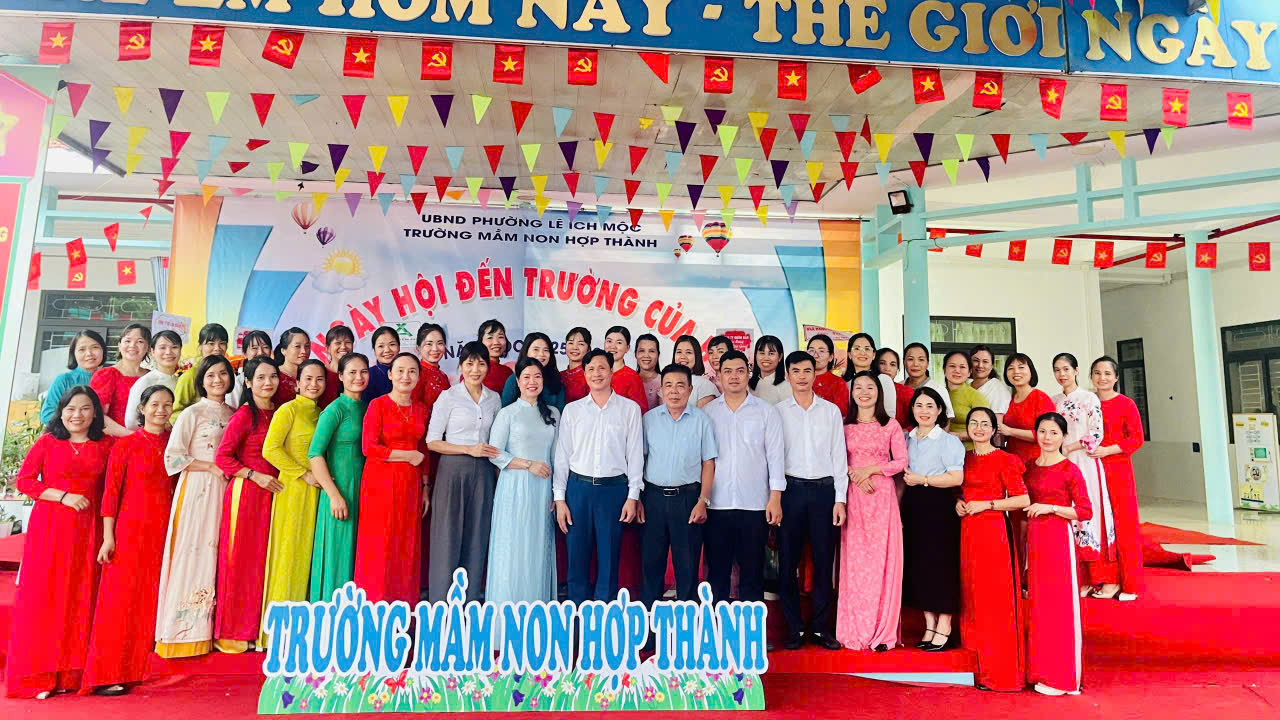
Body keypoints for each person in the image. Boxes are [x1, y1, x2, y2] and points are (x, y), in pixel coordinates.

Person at [4, 387, 111, 698]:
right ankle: (40, 675)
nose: (77, 415)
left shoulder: (107, 445)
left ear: (95, 413)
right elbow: (25, 482)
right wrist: (63, 496)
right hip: (50, 528)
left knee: (80, 596)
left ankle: (71, 675)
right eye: (71, 409)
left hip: (89, 531)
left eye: (85, 408)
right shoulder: (48, 442)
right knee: (46, 597)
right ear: (61, 412)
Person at [82, 385, 176, 696]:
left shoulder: (175, 443)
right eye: (155, 404)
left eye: (167, 404)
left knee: (148, 603)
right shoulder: (126, 445)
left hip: (165, 533)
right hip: (130, 532)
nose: (161, 410)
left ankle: (134, 671)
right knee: (119, 603)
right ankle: (105, 675)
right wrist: (108, 537)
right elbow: (110, 494)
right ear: (142, 408)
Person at [155, 355, 235, 658]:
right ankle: (183, 632)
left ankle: (216, 629)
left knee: (220, 551)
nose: (217, 380)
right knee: (195, 550)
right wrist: (211, 466)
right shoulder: (191, 413)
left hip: (226, 489)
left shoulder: (234, 413)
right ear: (201, 380)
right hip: (198, 488)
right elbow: (173, 457)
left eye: (223, 374)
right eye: (211, 375)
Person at [553, 348, 644, 603]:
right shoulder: (572, 410)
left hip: (613, 491)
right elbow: (562, 456)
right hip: (578, 490)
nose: (597, 373)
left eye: (602, 367)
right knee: (576, 558)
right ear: (584, 373)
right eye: (591, 369)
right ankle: (577, 616)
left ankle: (603, 617)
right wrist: (560, 499)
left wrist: (633, 496)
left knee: (609, 558)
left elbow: (635, 454)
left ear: (612, 371)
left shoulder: (629, 409)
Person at [776, 354, 848, 651]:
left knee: (823, 561)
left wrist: (840, 499)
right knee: (787, 563)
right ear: (788, 375)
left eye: (807, 370)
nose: (802, 376)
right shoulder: (777, 412)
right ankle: (793, 628)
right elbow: (772, 458)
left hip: (824, 493)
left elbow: (839, 457)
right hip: (790, 491)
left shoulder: (830, 412)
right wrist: (774, 498)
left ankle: (820, 627)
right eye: (796, 371)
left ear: (815, 374)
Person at [956, 407, 1030, 692]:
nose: (978, 428)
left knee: (994, 599)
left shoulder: (1005, 459)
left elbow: (1022, 499)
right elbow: (957, 490)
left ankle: (1000, 672)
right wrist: (958, 503)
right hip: (966, 531)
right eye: (973, 423)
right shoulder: (962, 458)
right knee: (970, 594)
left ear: (993, 429)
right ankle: (975, 663)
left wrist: (987, 505)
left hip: (993, 531)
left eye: (984, 424)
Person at [703, 350, 785, 605]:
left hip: (754, 504)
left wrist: (775, 498)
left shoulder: (766, 411)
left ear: (748, 373)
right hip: (716, 504)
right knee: (717, 573)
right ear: (719, 375)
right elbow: (702, 460)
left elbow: (775, 457)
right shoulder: (707, 412)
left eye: (740, 371)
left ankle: (751, 628)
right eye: (727, 371)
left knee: (752, 573)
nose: (734, 377)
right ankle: (716, 624)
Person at [213, 356, 280, 653]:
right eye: (260, 378)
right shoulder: (244, 415)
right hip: (248, 493)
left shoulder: (279, 412)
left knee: (263, 562)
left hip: (273, 494)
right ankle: (233, 632)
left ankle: (256, 629)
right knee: (241, 561)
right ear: (249, 382)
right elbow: (223, 457)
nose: (268, 383)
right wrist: (254, 476)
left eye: (272, 377)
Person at [837, 368, 908, 652]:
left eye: (870, 387)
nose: (864, 393)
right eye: (858, 388)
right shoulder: (844, 426)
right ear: (851, 394)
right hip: (854, 497)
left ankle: (882, 632)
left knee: (882, 562)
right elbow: (835, 460)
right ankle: (854, 629)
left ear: (879, 393)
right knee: (855, 565)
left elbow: (901, 461)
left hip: (881, 498)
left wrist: (870, 470)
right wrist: (855, 474)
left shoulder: (890, 426)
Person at [426, 341, 502, 602]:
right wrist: (468, 449)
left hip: (484, 473)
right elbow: (432, 441)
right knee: (447, 537)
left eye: (481, 364)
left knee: (477, 536)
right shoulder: (448, 397)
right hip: (452, 470)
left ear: (488, 367)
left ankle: (470, 603)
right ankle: (441, 605)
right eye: (469, 363)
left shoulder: (494, 399)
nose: (475, 369)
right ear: (460, 366)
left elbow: (497, 439)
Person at [1024, 412, 1092, 697]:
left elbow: (1085, 511)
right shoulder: (1029, 466)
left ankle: (1064, 679)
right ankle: (1042, 670)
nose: (1047, 438)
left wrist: (1051, 508)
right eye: (1042, 431)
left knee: (1060, 607)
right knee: (1039, 608)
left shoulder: (1069, 469)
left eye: (1054, 433)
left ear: (1064, 436)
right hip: (1034, 541)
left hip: (1058, 541)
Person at [258, 359, 326, 646]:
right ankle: (278, 633)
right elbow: (270, 449)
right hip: (293, 489)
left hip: (318, 492)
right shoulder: (288, 410)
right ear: (297, 383)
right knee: (289, 554)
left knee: (309, 556)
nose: (313, 384)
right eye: (308, 378)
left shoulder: (321, 413)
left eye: (319, 379)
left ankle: (302, 630)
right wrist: (302, 473)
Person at [640, 363, 717, 609]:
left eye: (680, 385)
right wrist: (638, 498)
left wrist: (703, 500)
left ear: (690, 390)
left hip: (688, 499)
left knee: (687, 565)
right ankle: (650, 621)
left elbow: (708, 462)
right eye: (669, 385)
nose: (674, 391)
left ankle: (686, 620)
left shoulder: (701, 420)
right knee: (651, 563)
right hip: (653, 498)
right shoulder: (649, 420)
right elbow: (640, 459)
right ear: (661, 390)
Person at [355, 352, 429, 604]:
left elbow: (424, 450)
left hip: (411, 483)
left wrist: (426, 486)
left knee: (405, 544)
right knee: (379, 544)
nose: (405, 376)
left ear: (418, 377)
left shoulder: (421, 409)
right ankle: (373, 607)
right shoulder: (378, 405)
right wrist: (407, 456)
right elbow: (369, 447)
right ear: (390, 374)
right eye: (400, 370)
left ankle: (403, 610)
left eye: (412, 371)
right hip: (380, 481)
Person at [486, 357, 561, 604]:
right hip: (514, 488)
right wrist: (529, 465)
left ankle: (536, 611)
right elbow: (494, 453)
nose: (532, 382)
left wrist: (558, 493)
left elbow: (558, 457)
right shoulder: (508, 413)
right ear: (517, 382)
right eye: (526, 377)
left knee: (537, 547)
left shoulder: (553, 414)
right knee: (513, 547)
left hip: (543, 491)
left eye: (537, 376)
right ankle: (506, 613)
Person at [900, 386, 965, 652]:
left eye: (930, 406)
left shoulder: (948, 441)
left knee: (941, 566)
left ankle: (945, 625)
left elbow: (956, 478)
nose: (924, 411)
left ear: (939, 410)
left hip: (939, 505)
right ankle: (929, 624)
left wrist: (923, 479)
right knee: (918, 564)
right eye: (919, 405)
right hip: (912, 504)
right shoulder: (906, 438)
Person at [1051, 353, 1115, 598]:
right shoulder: (1053, 401)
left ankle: (1097, 576)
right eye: (1057, 370)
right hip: (1059, 463)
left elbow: (1096, 434)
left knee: (1089, 515)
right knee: (1066, 514)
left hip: (1084, 460)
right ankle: (1075, 576)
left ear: (1076, 371)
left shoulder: (1089, 398)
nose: (1062, 374)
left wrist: (1069, 447)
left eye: (1066, 369)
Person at [308, 352, 369, 602]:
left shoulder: (368, 408)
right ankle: (330, 613)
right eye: (352, 372)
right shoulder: (334, 410)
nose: (358, 377)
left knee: (356, 554)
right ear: (341, 376)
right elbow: (315, 454)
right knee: (337, 553)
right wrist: (333, 495)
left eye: (363, 371)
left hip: (363, 491)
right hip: (339, 491)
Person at [1088, 356, 1146, 601]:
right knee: (1096, 524)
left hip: (1118, 468)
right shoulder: (1087, 402)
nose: (1102, 378)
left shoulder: (1126, 404)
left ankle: (1129, 583)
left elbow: (1136, 438)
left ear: (1116, 378)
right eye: (1097, 373)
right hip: (1091, 468)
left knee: (1124, 524)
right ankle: (1102, 578)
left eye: (1107, 373)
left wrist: (1108, 450)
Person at [93, 323, 152, 437]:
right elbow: (97, 414)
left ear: (148, 348)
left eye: (140, 341)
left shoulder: (151, 376)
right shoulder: (106, 375)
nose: (132, 345)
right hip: (114, 440)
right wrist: (132, 436)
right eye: (127, 341)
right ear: (119, 346)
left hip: (147, 439)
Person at [998, 353, 1056, 465]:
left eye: (1021, 367)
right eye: (1011, 368)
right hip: (1012, 464)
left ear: (1031, 371)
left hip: (1037, 463)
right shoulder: (1008, 400)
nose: (1016, 372)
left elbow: (1047, 434)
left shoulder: (1041, 398)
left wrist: (1010, 431)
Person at [40, 329, 104, 425]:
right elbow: (47, 416)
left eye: (95, 347)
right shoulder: (64, 380)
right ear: (73, 353)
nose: (89, 353)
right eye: (82, 349)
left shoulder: (111, 378)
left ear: (103, 350)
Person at [123, 330, 183, 431]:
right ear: (153, 351)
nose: (168, 352)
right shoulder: (145, 382)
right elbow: (131, 422)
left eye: (174, 347)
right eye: (162, 347)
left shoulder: (182, 380)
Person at [171, 323, 229, 419]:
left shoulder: (228, 373)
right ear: (200, 346)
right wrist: (200, 421)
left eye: (222, 343)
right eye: (211, 343)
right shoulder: (190, 376)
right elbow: (174, 413)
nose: (217, 348)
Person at [501, 331, 566, 412]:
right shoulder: (514, 380)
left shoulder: (556, 381)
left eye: (546, 350)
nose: (541, 354)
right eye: (536, 349)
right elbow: (506, 411)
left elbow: (560, 414)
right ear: (526, 352)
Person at [841, 333, 898, 418]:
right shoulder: (844, 383)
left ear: (874, 355)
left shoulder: (884, 380)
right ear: (849, 354)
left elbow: (889, 414)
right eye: (857, 348)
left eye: (867, 349)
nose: (862, 353)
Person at [941, 351, 987, 448]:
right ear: (944, 370)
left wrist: (956, 436)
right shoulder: (938, 394)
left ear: (969, 372)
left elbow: (986, 429)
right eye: (952, 366)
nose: (957, 370)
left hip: (970, 451)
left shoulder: (976, 397)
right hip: (942, 450)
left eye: (962, 367)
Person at [902, 342, 954, 418]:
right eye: (910, 359)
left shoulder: (938, 389)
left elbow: (947, 418)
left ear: (927, 363)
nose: (915, 364)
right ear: (904, 362)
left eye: (921, 359)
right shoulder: (898, 387)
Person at [604, 325, 649, 412]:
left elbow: (641, 410)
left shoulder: (632, 376)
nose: (613, 346)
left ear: (627, 348)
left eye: (619, 342)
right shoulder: (595, 372)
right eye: (609, 341)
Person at [672, 334, 719, 407]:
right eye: (679, 352)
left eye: (688, 352)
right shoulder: (666, 382)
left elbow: (702, 414)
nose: (682, 357)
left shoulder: (705, 385)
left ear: (697, 356)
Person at [807, 334, 848, 418]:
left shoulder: (838, 383)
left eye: (821, 351)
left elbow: (840, 414)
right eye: (811, 351)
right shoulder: (799, 380)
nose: (815, 355)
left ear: (831, 357)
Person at [228, 330, 272, 408]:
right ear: (244, 354)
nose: (260, 352)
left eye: (265, 347)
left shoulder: (277, 378)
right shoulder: (237, 383)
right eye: (254, 348)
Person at [412, 322, 451, 410]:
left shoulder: (443, 376)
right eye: (429, 344)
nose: (435, 349)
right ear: (418, 348)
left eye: (440, 343)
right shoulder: (416, 374)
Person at [749, 335, 793, 405]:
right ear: (756, 355)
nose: (766, 358)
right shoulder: (747, 385)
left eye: (771, 354)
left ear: (780, 357)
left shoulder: (786, 388)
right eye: (762, 353)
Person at [875, 347, 913, 426]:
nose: (887, 369)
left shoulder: (906, 392)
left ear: (897, 370)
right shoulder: (866, 390)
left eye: (892, 364)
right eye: (882, 363)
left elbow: (914, 422)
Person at [318, 325, 354, 408]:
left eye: (347, 342)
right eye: (338, 343)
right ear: (328, 348)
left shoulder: (357, 374)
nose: (343, 347)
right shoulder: (320, 373)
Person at [970, 345, 1011, 416]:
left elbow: (997, 421)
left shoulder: (998, 389)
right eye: (976, 360)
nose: (980, 365)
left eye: (985, 361)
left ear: (992, 366)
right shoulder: (966, 385)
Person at [271, 327, 309, 406]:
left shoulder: (313, 374)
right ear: (283, 350)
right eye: (297, 346)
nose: (304, 351)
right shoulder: (273, 376)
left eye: (307, 346)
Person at [363, 326, 401, 403]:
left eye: (392, 344)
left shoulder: (408, 371)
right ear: (374, 350)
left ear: (399, 347)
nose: (387, 350)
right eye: (380, 346)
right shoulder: (367, 375)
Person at [478, 318, 514, 393]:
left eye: (500, 337)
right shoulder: (473, 370)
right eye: (490, 338)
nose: (496, 342)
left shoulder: (507, 372)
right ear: (481, 342)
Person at [560, 327, 592, 403]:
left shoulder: (591, 376)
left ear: (588, 349)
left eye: (581, 344)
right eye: (571, 343)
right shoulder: (558, 376)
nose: (574, 347)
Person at [635, 333, 663, 410]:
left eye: (651, 351)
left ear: (658, 355)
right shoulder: (629, 379)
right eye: (642, 351)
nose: (646, 355)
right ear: (636, 354)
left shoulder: (664, 381)